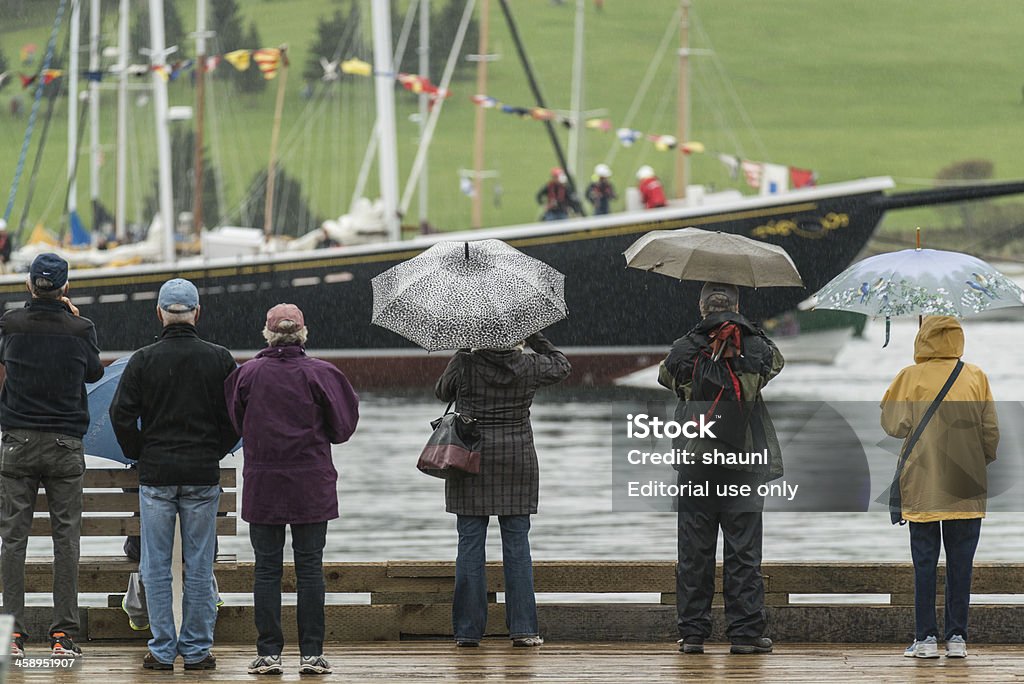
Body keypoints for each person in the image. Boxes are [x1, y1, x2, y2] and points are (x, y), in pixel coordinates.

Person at [109, 278, 239, 672]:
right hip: (201, 473)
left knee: (156, 565)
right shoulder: (219, 358)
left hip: (157, 474)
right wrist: (215, 448)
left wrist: (140, 449)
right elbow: (236, 414)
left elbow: (120, 415)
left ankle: (163, 649)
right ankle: (197, 650)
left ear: (159, 314)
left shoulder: (143, 359)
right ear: (197, 313)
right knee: (200, 565)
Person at [225, 303, 359, 676]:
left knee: (266, 569)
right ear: (303, 334)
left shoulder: (247, 374)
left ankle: (269, 653)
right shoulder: (323, 374)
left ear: (267, 335)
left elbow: (235, 423)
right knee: (310, 569)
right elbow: (343, 428)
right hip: (310, 484)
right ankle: (311, 654)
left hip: (264, 483)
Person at [658, 282, 783, 655]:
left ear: (701, 307)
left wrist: (698, 341)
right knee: (743, 549)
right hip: (743, 461)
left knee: (694, 549)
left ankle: (693, 634)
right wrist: (747, 328)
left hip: (696, 462)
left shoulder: (684, 348)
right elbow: (776, 364)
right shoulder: (756, 346)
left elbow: (666, 378)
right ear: (737, 304)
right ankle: (745, 634)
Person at [435, 332, 571, 648]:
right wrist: (538, 338)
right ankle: (524, 630)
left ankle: (468, 632)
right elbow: (563, 365)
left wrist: (462, 350)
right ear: (515, 334)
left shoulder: (465, 362)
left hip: (470, 459)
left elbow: (441, 392)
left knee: (470, 544)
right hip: (517, 460)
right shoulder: (530, 365)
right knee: (517, 545)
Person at [0, 253, 102, 659]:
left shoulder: (10, 322)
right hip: (64, 444)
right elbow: (93, 373)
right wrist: (73, 318)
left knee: (12, 541)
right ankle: (62, 635)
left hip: (18, 442)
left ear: (29, 284)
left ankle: (12, 633)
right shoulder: (81, 328)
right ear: (64, 287)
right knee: (66, 541)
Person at [881, 316, 998, 660]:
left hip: (921, 486)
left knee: (925, 563)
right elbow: (990, 432)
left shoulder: (909, 376)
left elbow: (893, 425)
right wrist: (977, 460)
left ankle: (926, 639)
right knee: (961, 564)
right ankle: (958, 638)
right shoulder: (976, 376)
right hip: (966, 484)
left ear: (922, 337)